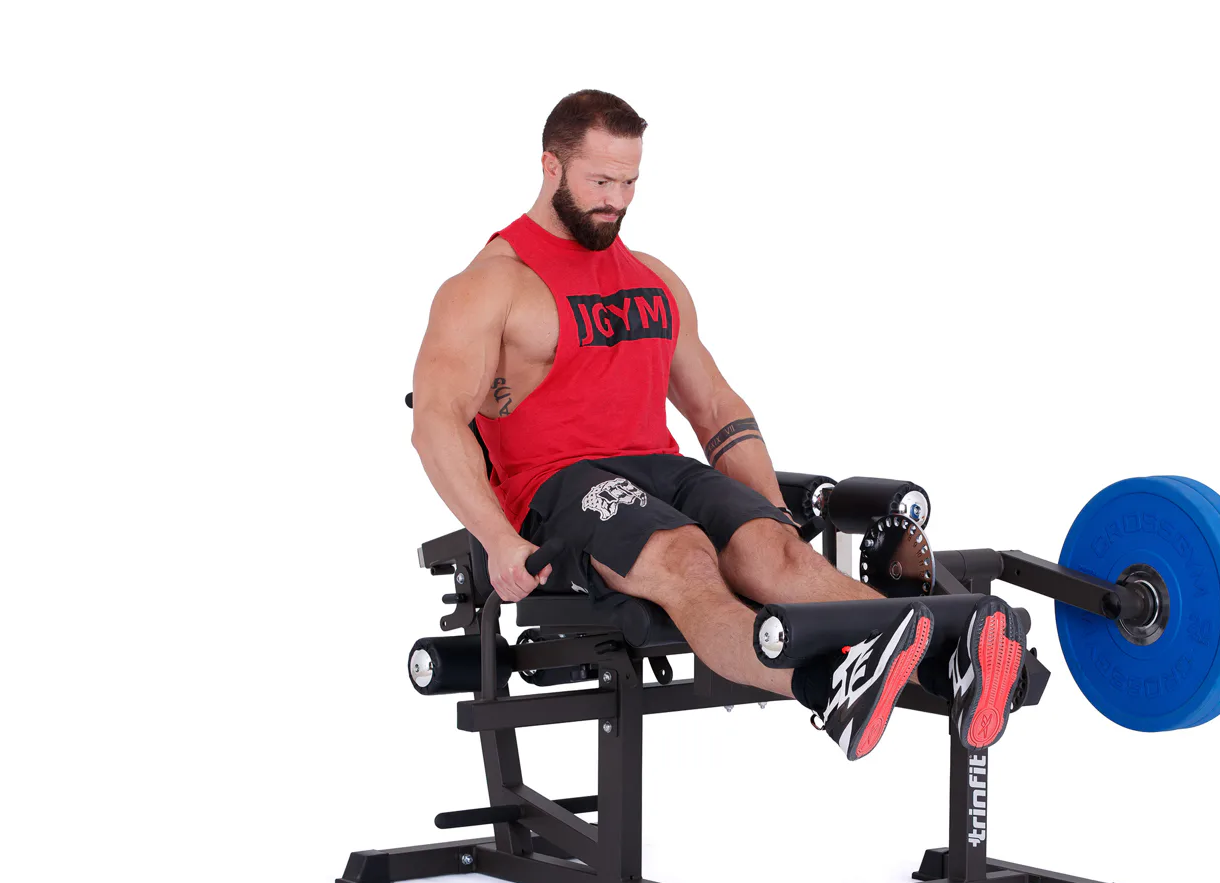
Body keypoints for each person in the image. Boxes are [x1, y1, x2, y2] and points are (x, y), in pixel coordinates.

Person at [410, 90, 1026, 760]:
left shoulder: (653, 279)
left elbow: (715, 408)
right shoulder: (490, 286)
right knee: (685, 558)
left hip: (660, 467)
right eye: (600, 182)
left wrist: (771, 511)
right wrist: (498, 540)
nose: (616, 200)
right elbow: (436, 421)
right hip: (558, 484)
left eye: (629, 183)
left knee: (778, 554)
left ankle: (950, 665)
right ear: (550, 167)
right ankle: (827, 686)